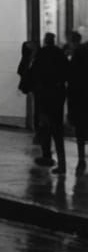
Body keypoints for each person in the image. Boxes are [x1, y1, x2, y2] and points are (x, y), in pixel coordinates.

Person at [28, 32, 69, 172]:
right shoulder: (60, 54)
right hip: (58, 95)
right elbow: (67, 72)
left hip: (44, 96)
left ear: (45, 41)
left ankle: (47, 156)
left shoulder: (41, 54)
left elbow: (34, 73)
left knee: (45, 126)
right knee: (57, 129)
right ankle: (62, 163)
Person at [66, 31, 88, 173]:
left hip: (81, 96)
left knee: (80, 130)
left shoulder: (79, 52)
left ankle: (81, 159)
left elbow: (72, 77)